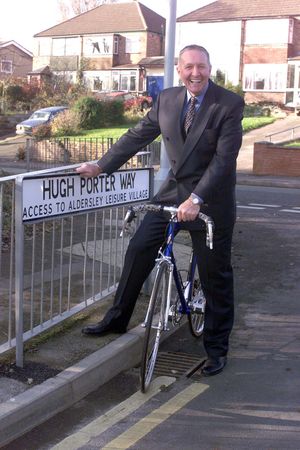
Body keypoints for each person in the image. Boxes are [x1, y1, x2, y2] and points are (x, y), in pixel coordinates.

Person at [76, 44, 244, 376]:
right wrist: (101, 165)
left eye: (201, 66)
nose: (195, 73)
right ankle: (117, 319)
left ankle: (215, 348)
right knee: (138, 249)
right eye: (188, 67)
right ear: (180, 70)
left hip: (210, 201)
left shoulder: (228, 104)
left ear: (210, 68)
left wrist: (196, 200)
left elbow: (224, 161)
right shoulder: (167, 99)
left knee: (215, 277)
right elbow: (137, 136)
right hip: (171, 195)